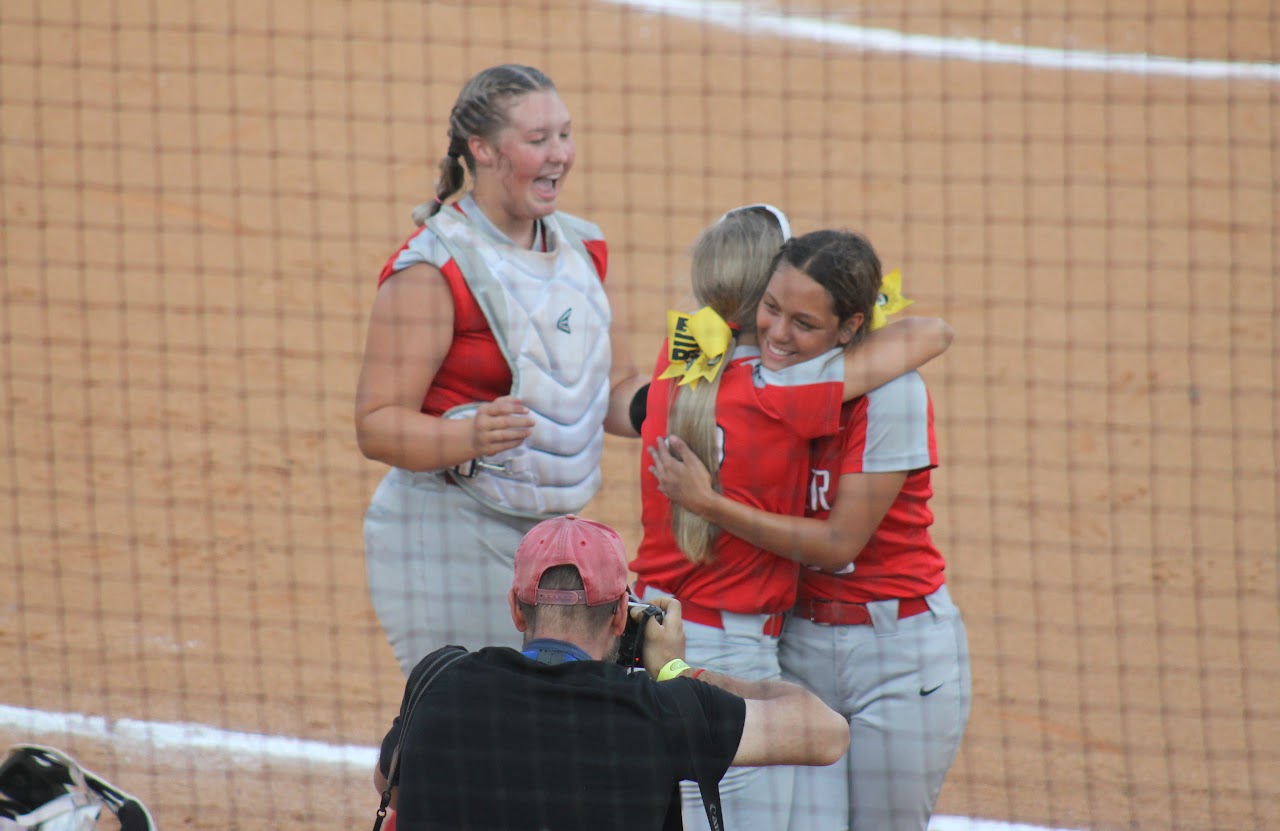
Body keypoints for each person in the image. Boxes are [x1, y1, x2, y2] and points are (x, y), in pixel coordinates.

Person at [632, 219, 953, 830]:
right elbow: (933, 331)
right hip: (730, 647)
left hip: (664, 626)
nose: (783, 332)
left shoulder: (681, 352)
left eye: (801, 319)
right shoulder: (778, 387)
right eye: (777, 310)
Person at [355, 64, 648, 673]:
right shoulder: (434, 270)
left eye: (564, 135)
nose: (560, 155)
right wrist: (466, 436)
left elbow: (612, 392)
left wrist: (680, 409)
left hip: (552, 542)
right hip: (445, 536)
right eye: (538, 139)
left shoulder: (582, 249)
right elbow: (377, 424)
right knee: (461, 735)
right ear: (482, 150)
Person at [373, 514, 850, 831]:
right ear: (622, 615)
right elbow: (826, 732)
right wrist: (675, 670)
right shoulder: (661, 712)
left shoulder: (439, 678)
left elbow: (387, 785)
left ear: (517, 612)